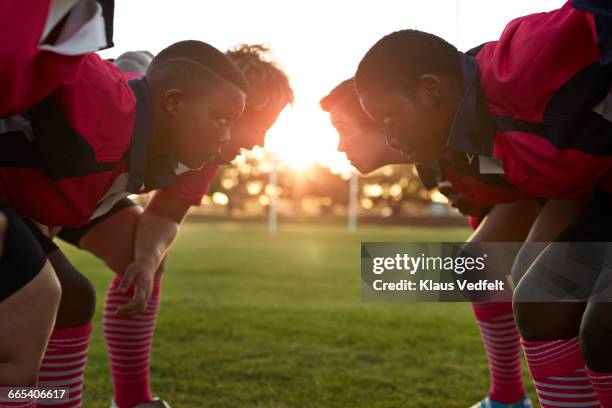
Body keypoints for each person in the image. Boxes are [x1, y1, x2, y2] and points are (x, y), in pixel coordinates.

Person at [354, 2, 612, 406]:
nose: (389, 137)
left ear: (430, 90)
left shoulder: (523, 62)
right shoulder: (472, 140)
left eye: (388, 117)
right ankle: (507, 398)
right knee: (541, 301)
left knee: (604, 324)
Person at [22, 44, 292, 408]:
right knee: (64, 293)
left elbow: (163, 217)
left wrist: (146, 262)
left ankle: (133, 400)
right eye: (258, 125)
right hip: (38, 179)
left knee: (138, 255)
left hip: (77, 186)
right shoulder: (115, 100)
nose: (260, 142)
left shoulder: (199, 149)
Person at [321, 79, 539, 407]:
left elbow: (527, 183)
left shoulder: (462, 141)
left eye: (343, 128)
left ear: (382, 119)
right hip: (539, 200)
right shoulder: (430, 162)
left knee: (534, 289)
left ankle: (512, 398)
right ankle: (507, 397)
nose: (339, 145)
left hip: (571, 195)